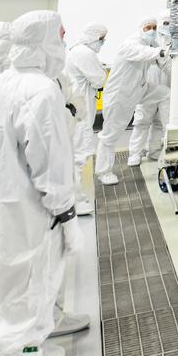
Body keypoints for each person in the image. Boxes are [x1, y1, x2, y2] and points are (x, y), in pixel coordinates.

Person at [0, 10, 84, 356]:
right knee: (22, 332)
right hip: (30, 227)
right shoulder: (39, 91)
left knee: (10, 323)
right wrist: (66, 212)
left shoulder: (6, 82)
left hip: (9, 224)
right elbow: (50, 164)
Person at [94, 17, 160, 186]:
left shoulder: (151, 45)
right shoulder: (131, 43)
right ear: (140, 29)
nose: (152, 30)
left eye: (154, 27)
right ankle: (104, 172)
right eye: (148, 27)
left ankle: (157, 147)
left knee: (164, 93)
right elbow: (139, 52)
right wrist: (159, 52)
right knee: (111, 135)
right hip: (120, 96)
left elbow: (163, 60)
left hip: (139, 91)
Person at [64, 22, 108, 215]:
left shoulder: (77, 50)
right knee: (79, 155)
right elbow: (99, 80)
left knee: (77, 154)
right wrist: (100, 73)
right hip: (81, 110)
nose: (103, 42)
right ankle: (75, 201)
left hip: (78, 108)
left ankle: (74, 197)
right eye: (101, 38)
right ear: (92, 36)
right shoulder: (85, 53)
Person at [126, 15, 171, 166]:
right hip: (148, 86)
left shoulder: (172, 40)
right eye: (165, 23)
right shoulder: (147, 42)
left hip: (166, 87)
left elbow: (172, 62)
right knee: (142, 121)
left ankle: (153, 151)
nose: (152, 30)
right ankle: (135, 154)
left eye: (170, 23)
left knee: (159, 122)